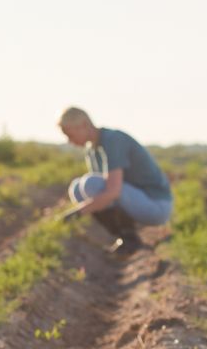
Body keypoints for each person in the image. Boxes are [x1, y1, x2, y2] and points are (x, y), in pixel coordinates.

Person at [58, 107, 173, 258]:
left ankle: (130, 238)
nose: (69, 141)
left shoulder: (112, 140)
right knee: (77, 188)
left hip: (156, 205)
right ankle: (125, 237)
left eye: (70, 134)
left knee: (90, 184)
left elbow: (113, 192)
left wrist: (77, 213)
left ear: (84, 125)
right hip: (136, 201)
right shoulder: (92, 149)